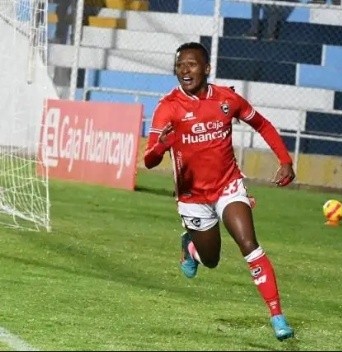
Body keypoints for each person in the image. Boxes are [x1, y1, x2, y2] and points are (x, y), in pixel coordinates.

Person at [144, 42, 296, 341]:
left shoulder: (227, 99)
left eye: (191, 64)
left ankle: (277, 316)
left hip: (228, 186)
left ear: (207, 68)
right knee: (211, 259)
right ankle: (190, 247)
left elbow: (261, 124)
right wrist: (163, 144)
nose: (184, 70)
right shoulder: (168, 107)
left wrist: (286, 160)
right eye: (179, 65)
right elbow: (149, 160)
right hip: (193, 199)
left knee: (248, 243)